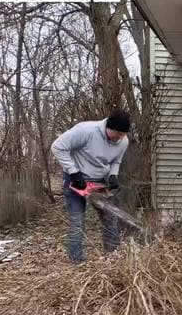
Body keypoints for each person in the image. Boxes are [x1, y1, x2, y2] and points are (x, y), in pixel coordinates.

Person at [51, 109, 130, 263]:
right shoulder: (86, 131)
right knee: (77, 222)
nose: (120, 138)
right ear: (109, 126)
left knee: (111, 218)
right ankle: (76, 262)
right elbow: (57, 147)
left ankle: (112, 259)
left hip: (99, 182)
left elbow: (116, 161)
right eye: (118, 133)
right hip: (76, 181)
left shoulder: (123, 140)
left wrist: (113, 175)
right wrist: (74, 172)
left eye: (123, 134)